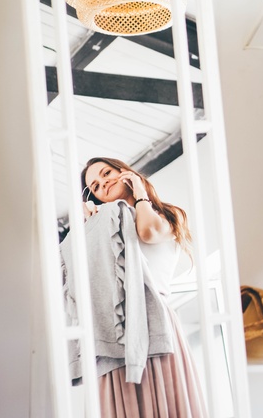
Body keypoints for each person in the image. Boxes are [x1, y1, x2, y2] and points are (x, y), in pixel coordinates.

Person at [78, 156, 206, 418]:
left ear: (125, 172)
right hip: (114, 326)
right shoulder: (104, 224)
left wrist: (141, 194)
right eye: (95, 186)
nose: (102, 183)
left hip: (152, 317)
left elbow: (147, 232)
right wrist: (91, 227)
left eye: (106, 174)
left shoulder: (168, 214)